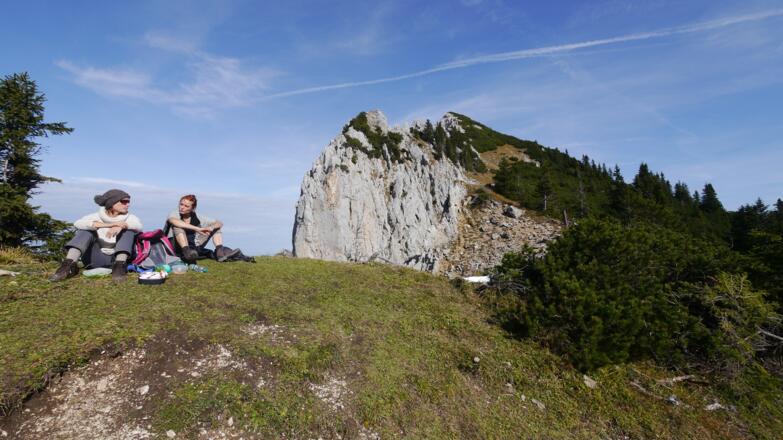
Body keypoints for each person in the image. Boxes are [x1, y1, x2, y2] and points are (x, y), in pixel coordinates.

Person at [50, 189, 143, 282]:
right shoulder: (95, 216)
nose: (127, 204)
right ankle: (68, 266)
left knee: (128, 231)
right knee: (86, 231)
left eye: (128, 202)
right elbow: (78, 223)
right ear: (112, 203)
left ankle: (119, 267)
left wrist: (123, 226)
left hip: (117, 259)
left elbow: (138, 226)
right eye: (124, 201)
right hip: (96, 258)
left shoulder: (130, 217)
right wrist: (111, 225)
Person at [166, 194, 240, 263]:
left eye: (186, 206)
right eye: (181, 204)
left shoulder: (197, 217)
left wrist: (211, 227)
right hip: (176, 247)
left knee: (216, 227)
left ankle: (220, 253)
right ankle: (186, 252)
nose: (182, 207)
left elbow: (219, 223)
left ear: (192, 208)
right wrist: (197, 229)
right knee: (178, 227)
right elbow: (174, 221)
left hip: (194, 247)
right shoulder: (175, 213)